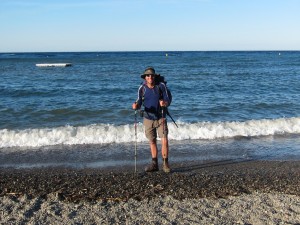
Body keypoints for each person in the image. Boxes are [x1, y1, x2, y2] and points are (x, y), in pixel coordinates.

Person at [132, 67, 171, 173]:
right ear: (145, 77)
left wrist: (165, 103)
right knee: (152, 141)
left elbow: (168, 99)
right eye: (148, 75)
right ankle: (154, 164)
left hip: (161, 117)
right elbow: (140, 102)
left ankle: (165, 164)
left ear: (155, 76)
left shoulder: (161, 86)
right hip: (148, 118)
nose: (150, 77)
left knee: (164, 140)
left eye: (152, 75)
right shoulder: (142, 88)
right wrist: (136, 106)